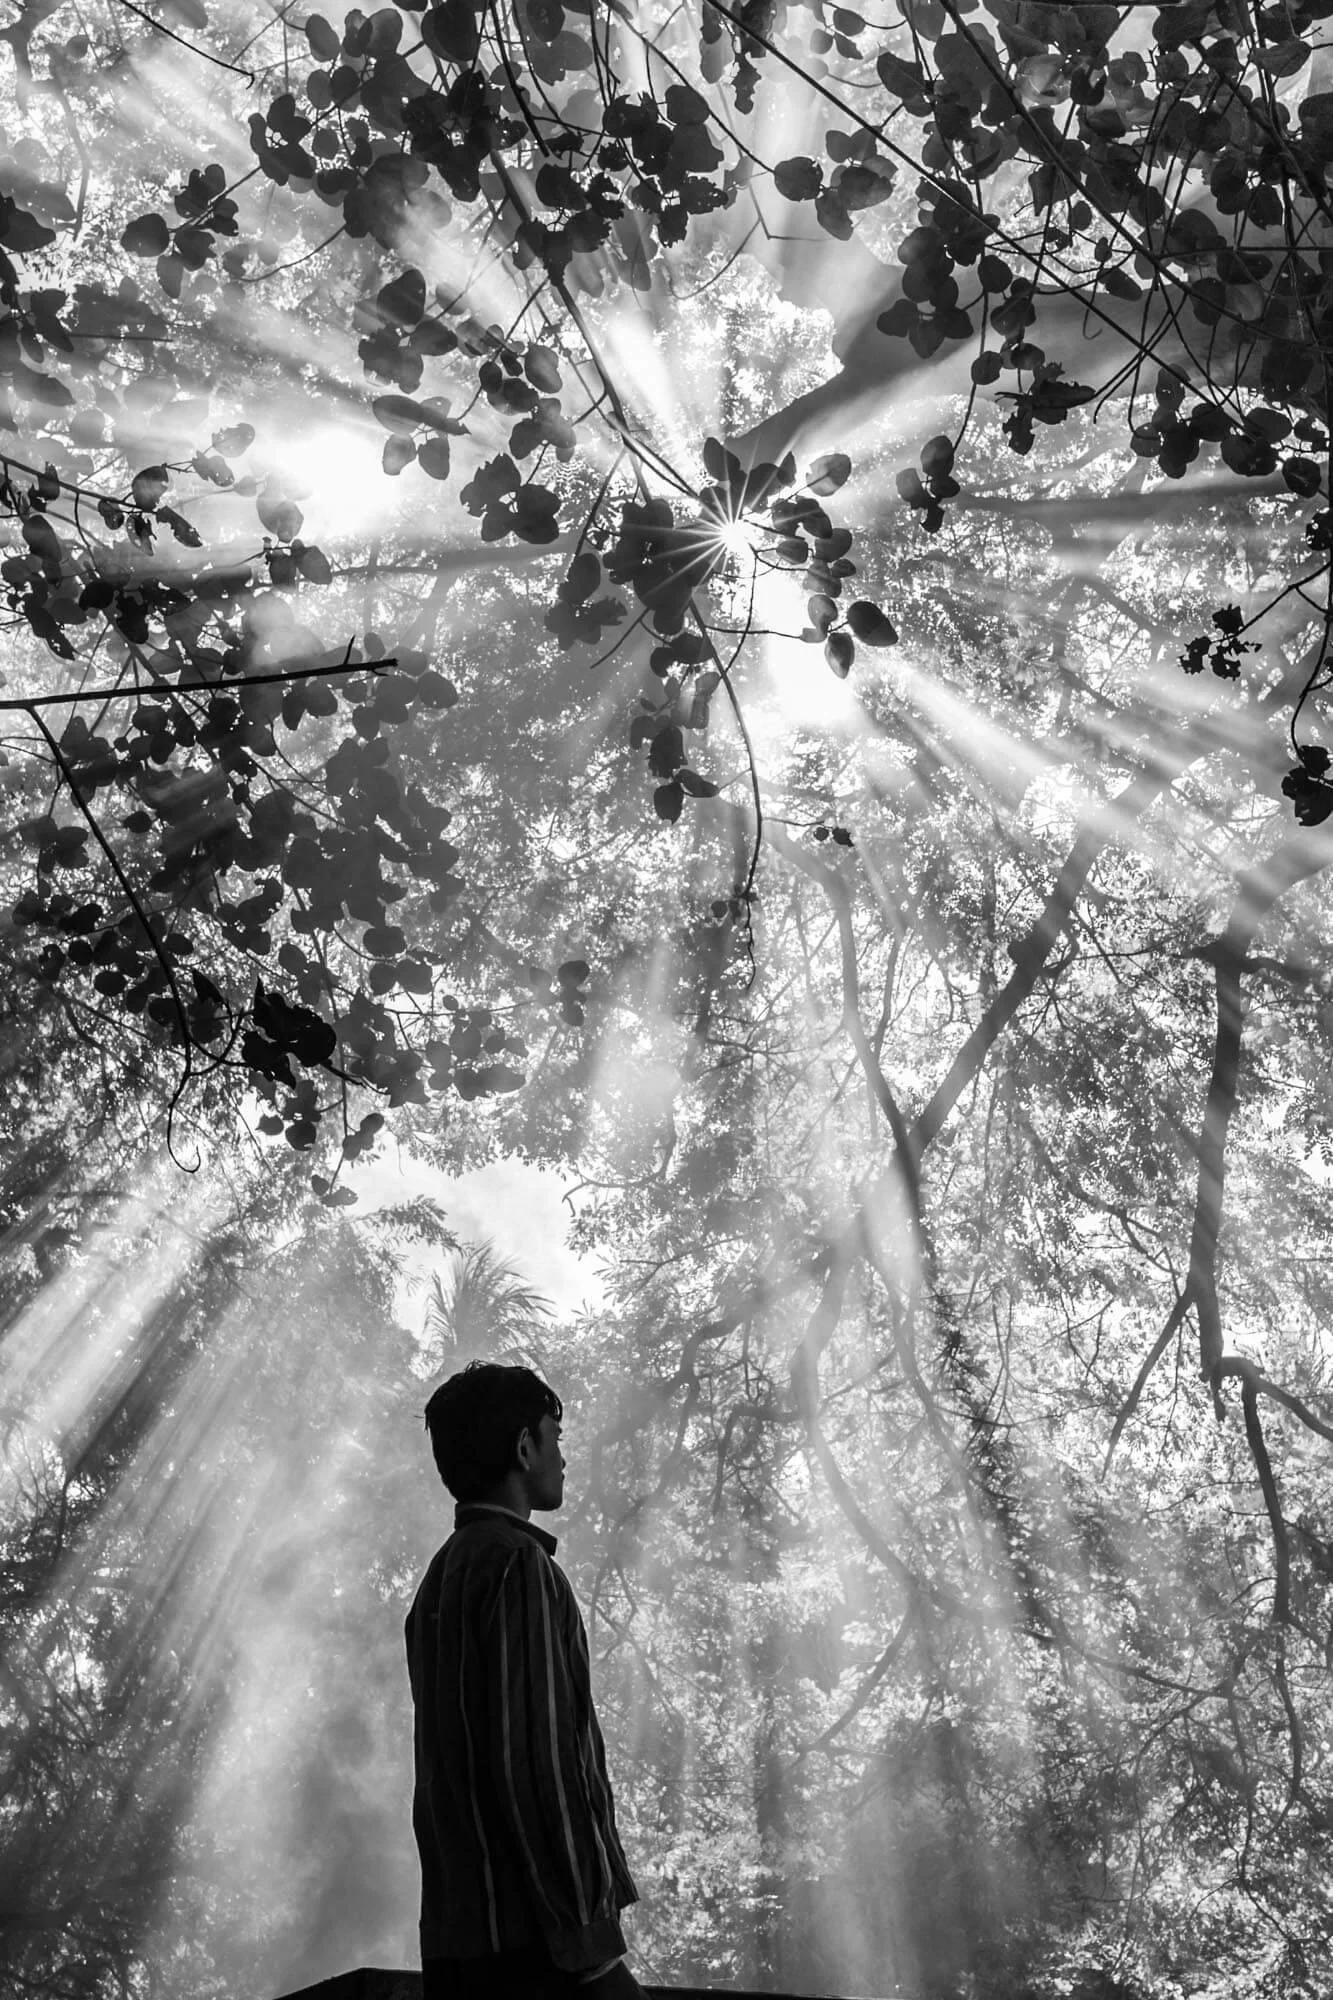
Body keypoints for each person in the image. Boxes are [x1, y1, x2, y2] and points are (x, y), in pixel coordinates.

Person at [406, 1361, 648, 2000]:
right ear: (523, 1447)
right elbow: (537, 1768)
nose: (563, 1459)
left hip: (458, 1951)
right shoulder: (520, 1568)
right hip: (537, 1957)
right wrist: (591, 1955)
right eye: (555, 1438)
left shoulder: (437, 1584)